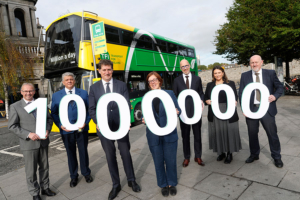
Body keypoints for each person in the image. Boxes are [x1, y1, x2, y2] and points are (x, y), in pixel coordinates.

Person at [88, 59, 141, 200]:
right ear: (99, 71)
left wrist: (127, 121)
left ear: (112, 70)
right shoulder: (94, 88)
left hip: (120, 125)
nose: (107, 72)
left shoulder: (122, 85)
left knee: (125, 153)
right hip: (103, 128)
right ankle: (116, 184)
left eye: (109, 69)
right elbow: (91, 109)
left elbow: (126, 105)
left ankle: (131, 180)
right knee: (110, 156)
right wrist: (97, 122)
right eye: (104, 70)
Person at [8, 83, 56, 200]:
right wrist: (28, 134)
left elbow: (49, 120)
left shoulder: (41, 104)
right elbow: (12, 126)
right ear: (21, 92)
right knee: (31, 171)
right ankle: (35, 193)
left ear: (34, 91)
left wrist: (48, 130)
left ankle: (45, 188)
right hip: (29, 144)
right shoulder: (15, 106)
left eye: (30, 91)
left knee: (45, 167)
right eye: (25, 91)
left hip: (43, 141)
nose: (28, 93)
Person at [239, 55, 284, 168]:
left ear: (261, 62)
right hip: (251, 108)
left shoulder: (270, 73)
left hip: (267, 109)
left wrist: (275, 96)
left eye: (256, 62)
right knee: (252, 134)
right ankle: (254, 154)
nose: (254, 64)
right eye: (252, 62)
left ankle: (277, 157)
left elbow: (280, 87)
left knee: (272, 134)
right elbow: (241, 93)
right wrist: (244, 108)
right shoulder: (245, 75)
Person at [142, 72, 181, 197]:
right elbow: (145, 114)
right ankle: (163, 184)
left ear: (160, 81)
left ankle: (171, 183)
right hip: (153, 135)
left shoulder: (169, 94)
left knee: (170, 160)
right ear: (148, 84)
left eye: (155, 80)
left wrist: (177, 111)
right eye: (150, 81)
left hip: (169, 133)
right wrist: (143, 119)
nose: (153, 82)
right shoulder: (146, 97)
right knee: (158, 161)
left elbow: (178, 109)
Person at [51, 72, 93, 188]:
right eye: (67, 80)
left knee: (83, 151)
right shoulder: (56, 95)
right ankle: (73, 176)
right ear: (63, 82)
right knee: (71, 154)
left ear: (74, 81)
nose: (69, 81)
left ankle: (86, 173)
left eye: (71, 79)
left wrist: (86, 121)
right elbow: (54, 112)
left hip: (81, 128)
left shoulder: (83, 93)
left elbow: (90, 109)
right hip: (66, 130)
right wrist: (60, 124)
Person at [204, 66, 241, 164]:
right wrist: (206, 101)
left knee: (228, 131)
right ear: (213, 74)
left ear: (223, 73)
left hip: (227, 110)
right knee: (218, 132)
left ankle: (229, 153)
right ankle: (221, 152)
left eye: (219, 72)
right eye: (215, 73)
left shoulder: (230, 83)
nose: (217, 75)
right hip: (214, 111)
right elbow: (206, 97)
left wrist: (235, 101)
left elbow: (235, 96)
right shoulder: (209, 85)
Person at [173, 59, 205, 167]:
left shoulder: (197, 79)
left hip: (196, 112)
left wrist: (201, 99)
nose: (185, 68)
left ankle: (198, 156)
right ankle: (186, 157)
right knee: (185, 136)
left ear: (189, 66)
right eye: (182, 66)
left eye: (186, 66)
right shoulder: (177, 80)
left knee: (197, 135)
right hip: (183, 114)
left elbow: (201, 93)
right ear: (180, 68)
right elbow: (174, 96)